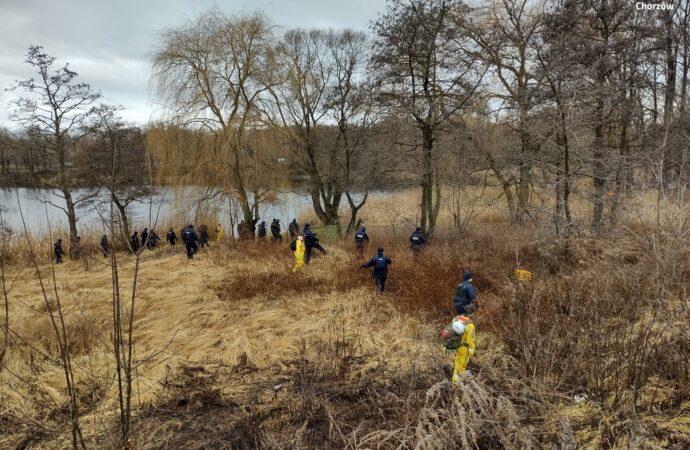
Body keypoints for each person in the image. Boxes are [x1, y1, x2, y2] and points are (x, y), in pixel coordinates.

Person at [449, 315, 475, 382]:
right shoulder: (471, 326)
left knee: (457, 364)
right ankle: (458, 383)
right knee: (462, 366)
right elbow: (470, 340)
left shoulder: (461, 321)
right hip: (465, 349)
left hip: (459, 347)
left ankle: (454, 381)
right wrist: (471, 350)